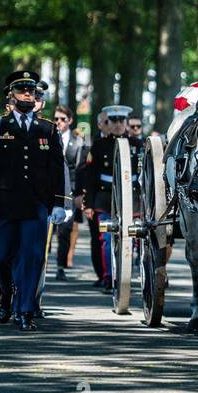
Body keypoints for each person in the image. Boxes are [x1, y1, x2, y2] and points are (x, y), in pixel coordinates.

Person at [0, 71, 68, 330]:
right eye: (22, 89)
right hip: (4, 204)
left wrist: (59, 203)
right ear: (11, 95)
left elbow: (56, 167)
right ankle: (5, 296)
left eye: (31, 89)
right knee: (1, 256)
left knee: (32, 257)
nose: (27, 93)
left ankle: (25, 310)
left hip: (36, 205)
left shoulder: (48, 129)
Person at [80, 105, 140, 293]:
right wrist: (88, 203)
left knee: (131, 240)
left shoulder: (137, 145)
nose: (117, 125)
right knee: (106, 239)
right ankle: (108, 277)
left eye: (120, 121)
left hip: (131, 199)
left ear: (126, 123)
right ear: (107, 123)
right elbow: (90, 176)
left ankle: (125, 277)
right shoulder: (98, 145)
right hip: (105, 198)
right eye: (112, 121)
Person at [52, 105, 86, 281]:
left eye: (62, 119)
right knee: (46, 229)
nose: (59, 122)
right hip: (50, 189)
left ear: (70, 121)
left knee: (65, 229)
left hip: (69, 190)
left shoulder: (78, 142)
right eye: (56, 119)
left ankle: (60, 265)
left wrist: (80, 193)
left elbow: (80, 169)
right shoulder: (49, 137)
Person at [85, 110, 110, 286]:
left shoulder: (132, 143)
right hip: (101, 199)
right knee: (100, 238)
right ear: (100, 125)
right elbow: (87, 175)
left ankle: (114, 275)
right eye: (108, 122)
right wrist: (87, 202)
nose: (113, 125)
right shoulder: (94, 144)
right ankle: (103, 275)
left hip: (127, 200)